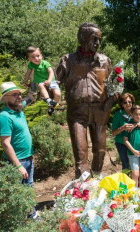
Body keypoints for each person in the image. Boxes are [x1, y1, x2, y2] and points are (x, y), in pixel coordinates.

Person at [56, 22, 119, 179]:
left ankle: (97, 180)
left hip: (100, 111)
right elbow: (54, 84)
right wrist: (48, 91)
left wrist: (112, 100)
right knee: (81, 152)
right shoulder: (67, 60)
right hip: (77, 112)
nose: (97, 43)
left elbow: (116, 86)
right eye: (94, 39)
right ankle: (84, 187)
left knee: (101, 150)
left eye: (99, 40)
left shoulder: (105, 61)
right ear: (82, 38)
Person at [0, 81, 38, 219]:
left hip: (28, 158)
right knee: (19, 192)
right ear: (5, 98)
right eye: (15, 95)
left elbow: (30, 97)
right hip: (18, 161)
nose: (19, 97)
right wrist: (18, 165)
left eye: (19, 94)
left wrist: (34, 83)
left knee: (29, 188)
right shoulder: (4, 116)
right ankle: (19, 222)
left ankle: (31, 216)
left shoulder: (18, 108)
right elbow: (6, 144)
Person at [111, 93, 140, 170]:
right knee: (125, 164)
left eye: (130, 102)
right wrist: (122, 128)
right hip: (121, 143)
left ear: (132, 102)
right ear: (121, 104)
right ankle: (125, 181)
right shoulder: (117, 114)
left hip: (134, 143)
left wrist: (136, 125)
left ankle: (136, 181)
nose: (128, 104)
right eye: (125, 102)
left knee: (137, 166)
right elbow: (113, 133)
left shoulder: (137, 112)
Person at [23, 46, 61, 116]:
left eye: (38, 56)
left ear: (41, 56)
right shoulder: (31, 64)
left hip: (51, 80)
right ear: (29, 59)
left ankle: (53, 106)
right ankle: (48, 100)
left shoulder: (45, 63)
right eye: (33, 57)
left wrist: (49, 80)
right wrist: (25, 81)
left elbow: (51, 72)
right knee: (40, 85)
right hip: (41, 82)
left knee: (58, 94)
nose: (36, 58)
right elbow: (28, 73)